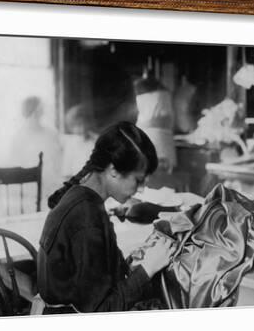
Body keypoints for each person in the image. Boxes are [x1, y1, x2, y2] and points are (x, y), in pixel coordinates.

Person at [37, 121, 176, 314]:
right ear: (113, 170)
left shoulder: (82, 197)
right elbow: (101, 312)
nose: (141, 189)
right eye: (138, 180)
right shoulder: (86, 216)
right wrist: (148, 268)